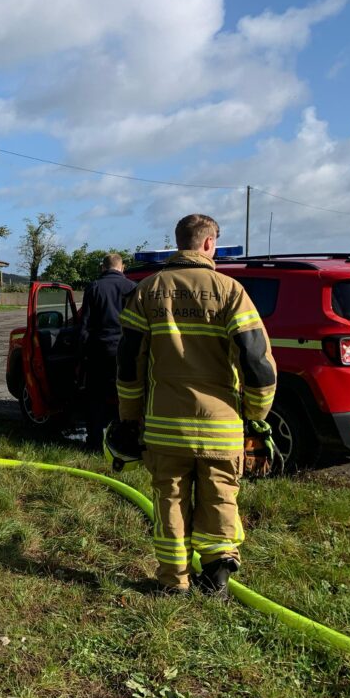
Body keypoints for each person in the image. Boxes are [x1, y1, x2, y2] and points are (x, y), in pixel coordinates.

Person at [115, 214, 276, 597]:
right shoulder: (232, 291)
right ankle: (217, 574)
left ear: (179, 242)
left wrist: (128, 416)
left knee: (170, 499)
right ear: (208, 244)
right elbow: (257, 361)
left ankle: (174, 582)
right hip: (221, 426)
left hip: (165, 426)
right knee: (220, 495)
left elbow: (128, 361)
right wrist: (256, 415)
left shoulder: (148, 291)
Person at [78, 253, 137, 451]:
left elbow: (84, 324)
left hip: (99, 351)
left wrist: (84, 351)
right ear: (122, 267)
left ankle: (95, 442)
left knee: (95, 399)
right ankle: (125, 442)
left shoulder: (94, 287)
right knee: (126, 398)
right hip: (126, 352)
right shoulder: (132, 288)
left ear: (102, 268)